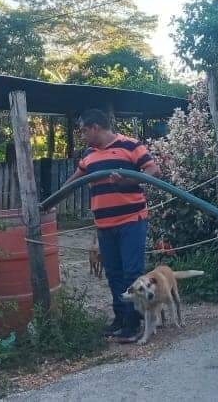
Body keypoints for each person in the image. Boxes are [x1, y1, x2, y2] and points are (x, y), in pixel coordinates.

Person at [65, 108, 161, 342]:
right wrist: (53, 200)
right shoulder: (88, 153)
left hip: (131, 220)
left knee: (131, 271)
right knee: (114, 273)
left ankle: (134, 321)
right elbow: (75, 179)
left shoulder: (130, 145)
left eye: (84, 130)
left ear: (95, 128)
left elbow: (153, 170)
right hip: (104, 223)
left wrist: (127, 180)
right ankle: (120, 318)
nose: (82, 135)